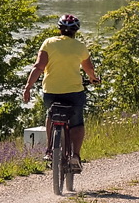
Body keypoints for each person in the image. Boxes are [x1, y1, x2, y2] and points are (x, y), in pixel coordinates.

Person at [21, 13, 101, 172]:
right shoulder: (80, 47)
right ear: (75, 31)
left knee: (51, 115)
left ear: (59, 29)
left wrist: (28, 87)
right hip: (73, 92)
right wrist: (93, 79)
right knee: (77, 122)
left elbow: (38, 67)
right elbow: (89, 69)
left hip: (51, 91)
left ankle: (50, 151)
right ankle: (75, 156)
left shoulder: (48, 43)